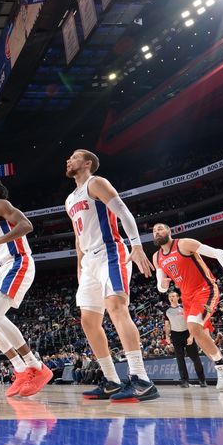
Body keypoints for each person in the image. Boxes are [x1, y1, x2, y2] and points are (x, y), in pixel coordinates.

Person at [64, 149, 158, 402]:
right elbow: (77, 235)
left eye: (73, 157)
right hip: (89, 260)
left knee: (116, 307)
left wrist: (137, 246)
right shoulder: (70, 199)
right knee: (88, 320)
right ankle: (112, 381)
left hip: (110, 252)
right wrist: (79, 263)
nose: (68, 160)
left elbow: (123, 212)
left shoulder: (97, 183)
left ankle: (141, 379)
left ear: (87, 163)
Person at [0, 178, 53, 397]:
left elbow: (27, 225)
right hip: (2, 268)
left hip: (18, 262)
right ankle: (20, 370)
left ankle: (36, 367)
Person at [152, 223, 223, 391]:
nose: (156, 232)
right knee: (199, 335)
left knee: (194, 327)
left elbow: (220, 253)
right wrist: (163, 284)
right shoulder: (157, 256)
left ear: (169, 231)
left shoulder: (184, 243)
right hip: (187, 297)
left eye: (160, 228)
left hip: (206, 289)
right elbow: (161, 287)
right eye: (153, 231)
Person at [164, 290, 207, 387]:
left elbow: (191, 322)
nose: (171, 298)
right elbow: (167, 325)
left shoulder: (184, 307)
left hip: (187, 333)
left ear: (178, 297)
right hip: (175, 335)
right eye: (170, 296)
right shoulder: (167, 311)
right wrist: (167, 336)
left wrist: (191, 336)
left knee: (195, 357)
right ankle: (184, 381)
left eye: (174, 296)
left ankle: (202, 380)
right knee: (180, 359)